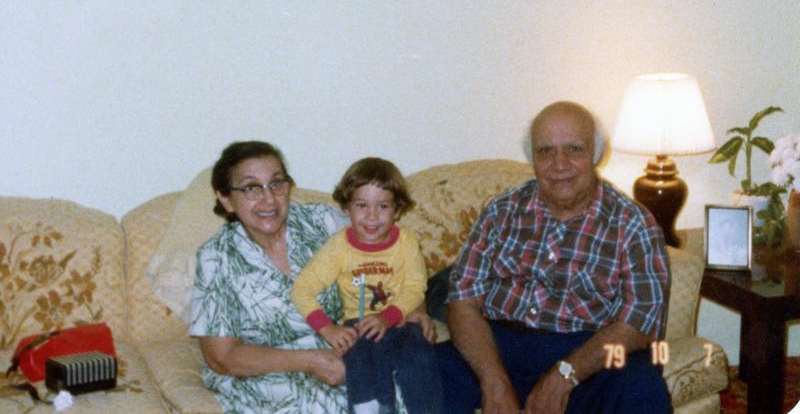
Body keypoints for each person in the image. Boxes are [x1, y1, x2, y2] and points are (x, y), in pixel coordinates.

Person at [435, 101, 672, 414]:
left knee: (642, 385)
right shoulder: (502, 210)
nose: (559, 164)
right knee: (426, 370)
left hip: (588, 353)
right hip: (499, 347)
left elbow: (640, 322)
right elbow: (462, 301)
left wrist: (566, 375)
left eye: (574, 149)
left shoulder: (632, 223)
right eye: (545, 151)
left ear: (596, 154)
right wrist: (494, 381)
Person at [190, 141, 431, 414]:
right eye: (251, 188)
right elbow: (222, 357)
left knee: (414, 387)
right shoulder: (216, 258)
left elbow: (396, 265)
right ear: (226, 199)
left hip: (352, 351)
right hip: (268, 373)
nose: (269, 199)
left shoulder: (323, 222)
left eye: (276, 183)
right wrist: (311, 361)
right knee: (321, 405)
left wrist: (415, 309)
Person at [291, 157, 444, 414]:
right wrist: (327, 328)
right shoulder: (338, 246)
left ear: (397, 210)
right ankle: (370, 407)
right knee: (359, 357)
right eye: (361, 205)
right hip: (358, 325)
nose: (372, 216)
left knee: (420, 355)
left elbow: (415, 287)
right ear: (346, 208)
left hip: (399, 320)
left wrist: (387, 318)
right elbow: (301, 289)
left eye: (383, 206)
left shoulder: (406, 242)